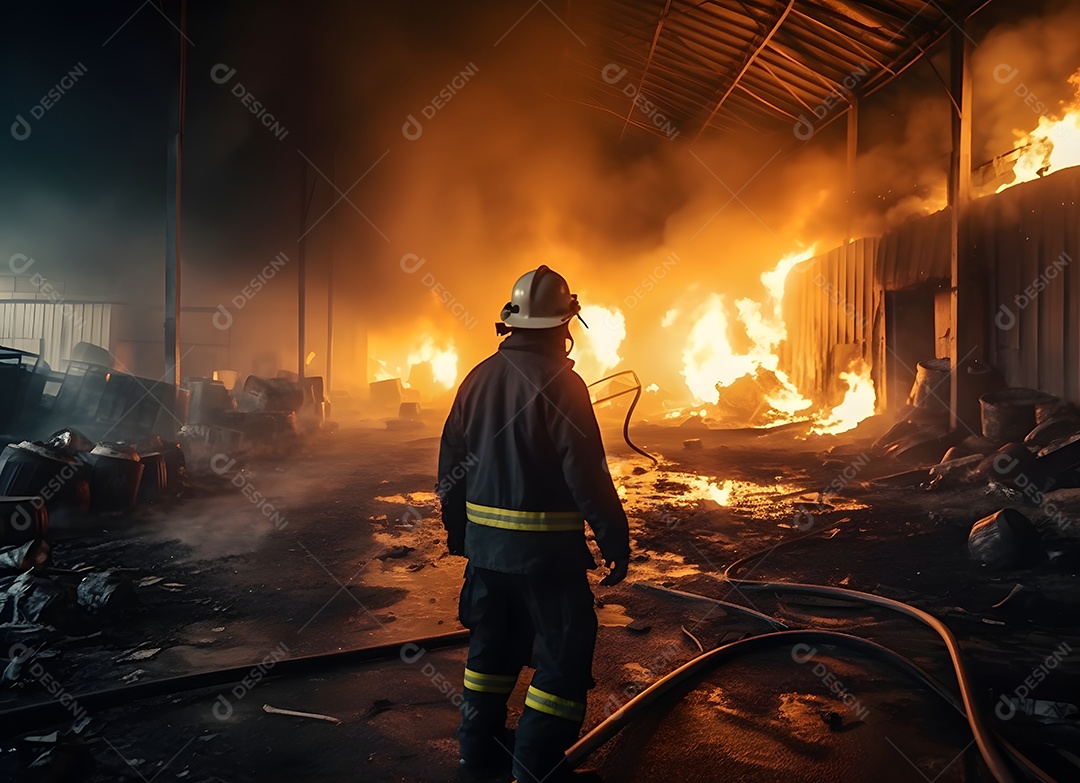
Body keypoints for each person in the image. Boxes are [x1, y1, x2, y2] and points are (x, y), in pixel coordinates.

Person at [437, 265, 631, 783]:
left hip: (487, 557)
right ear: (565, 324)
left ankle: (477, 751)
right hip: (548, 561)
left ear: (514, 322)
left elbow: (450, 465)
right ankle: (536, 767)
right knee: (562, 658)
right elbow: (586, 473)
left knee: (492, 650)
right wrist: (614, 539)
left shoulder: (476, 378)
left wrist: (460, 534)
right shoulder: (564, 385)